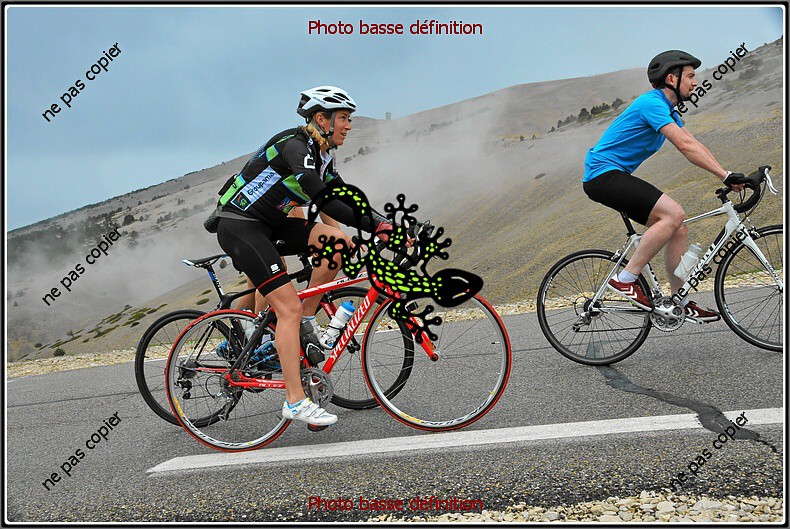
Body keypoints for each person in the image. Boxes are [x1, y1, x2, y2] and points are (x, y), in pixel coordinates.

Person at [214, 86, 391, 427]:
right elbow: (325, 200)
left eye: (350, 119)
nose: (349, 125)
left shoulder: (322, 156)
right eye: (344, 118)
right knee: (288, 308)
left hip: (269, 225)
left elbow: (345, 199)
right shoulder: (296, 147)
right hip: (241, 226)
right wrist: (378, 226)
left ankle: (302, 324)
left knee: (336, 243)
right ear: (321, 119)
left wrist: (386, 224)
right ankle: (294, 401)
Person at [582, 50, 746, 322]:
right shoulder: (652, 104)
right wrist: (723, 175)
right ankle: (625, 279)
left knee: (679, 228)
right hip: (602, 175)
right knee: (673, 213)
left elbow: (694, 144)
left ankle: (678, 301)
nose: (695, 82)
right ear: (672, 78)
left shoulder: (669, 111)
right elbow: (683, 146)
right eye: (690, 76)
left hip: (612, 176)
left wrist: (728, 174)